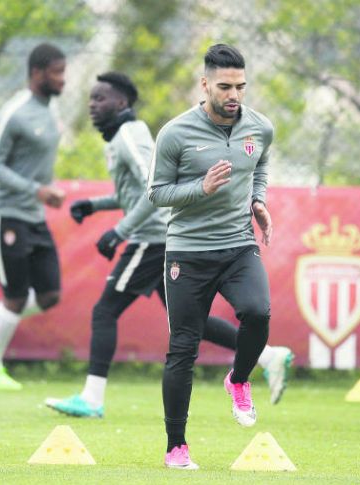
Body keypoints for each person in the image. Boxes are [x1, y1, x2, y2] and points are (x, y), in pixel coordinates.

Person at [43, 72, 293, 419]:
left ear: (122, 103)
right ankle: (267, 355)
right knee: (191, 324)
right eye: (90, 100)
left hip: (154, 238)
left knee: (105, 311)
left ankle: (92, 397)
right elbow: (137, 192)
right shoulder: (122, 136)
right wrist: (96, 204)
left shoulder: (131, 136)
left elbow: (154, 191)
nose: (93, 107)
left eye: (100, 99)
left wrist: (119, 231)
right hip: (161, 238)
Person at [147, 44, 274, 470]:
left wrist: (257, 201)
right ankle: (176, 447)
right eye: (224, 86)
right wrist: (199, 189)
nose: (233, 93)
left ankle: (238, 380)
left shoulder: (260, 128)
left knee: (257, 313)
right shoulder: (175, 133)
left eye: (240, 85)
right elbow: (158, 194)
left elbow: (260, 166)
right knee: (182, 349)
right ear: (205, 84)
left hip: (238, 245)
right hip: (188, 252)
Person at [0, 43, 68, 391]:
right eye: (57, 73)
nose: (63, 80)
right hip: (6, 214)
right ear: (36, 73)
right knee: (14, 297)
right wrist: (37, 190)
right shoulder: (15, 111)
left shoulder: (52, 108)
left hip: (34, 215)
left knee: (49, 294)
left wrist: (46, 190)